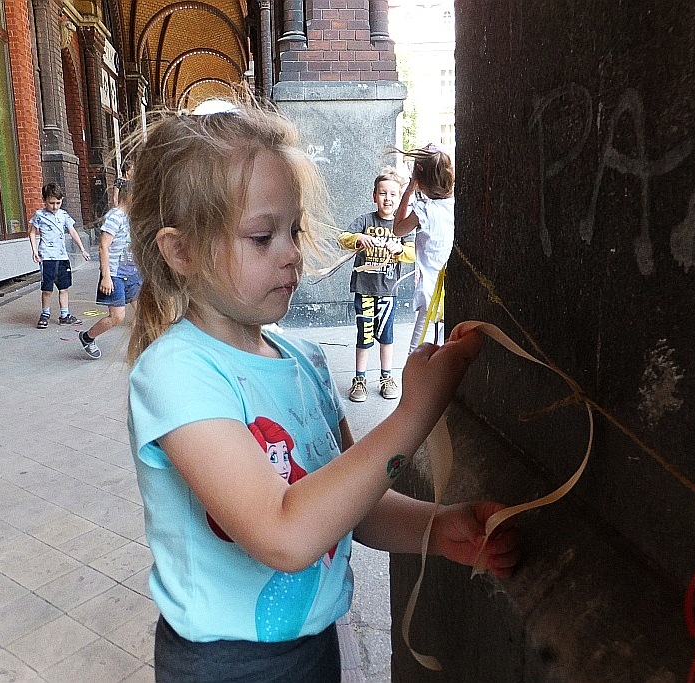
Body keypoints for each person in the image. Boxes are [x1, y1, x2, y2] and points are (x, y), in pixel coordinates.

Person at [125, 101, 519, 682]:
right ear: (180, 251)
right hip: (224, 665)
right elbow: (285, 533)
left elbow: (345, 504)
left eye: (293, 229)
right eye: (261, 237)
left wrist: (438, 527)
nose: (290, 253)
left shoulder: (303, 360)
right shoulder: (177, 374)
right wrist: (413, 414)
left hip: (311, 648)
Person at [337, 167, 415, 402]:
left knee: (387, 336)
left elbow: (413, 253)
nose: (387, 199)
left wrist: (400, 249)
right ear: (374, 196)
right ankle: (359, 379)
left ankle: (386, 377)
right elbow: (342, 239)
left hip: (388, 291)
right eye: (383, 193)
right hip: (364, 289)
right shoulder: (365, 220)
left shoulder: (403, 226)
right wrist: (358, 238)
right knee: (364, 335)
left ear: (399, 198)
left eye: (392, 194)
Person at [391, 143, 455, 353]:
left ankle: (413, 381)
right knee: (448, 344)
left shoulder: (424, 210)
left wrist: (408, 190)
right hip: (450, 288)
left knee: (416, 349)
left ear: (420, 181)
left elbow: (398, 229)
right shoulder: (455, 205)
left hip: (430, 290)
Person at [78, 189, 141, 359]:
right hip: (115, 275)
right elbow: (103, 246)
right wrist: (106, 277)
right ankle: (87, 337)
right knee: (117, 317)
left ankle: (138, 349)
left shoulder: (133, 218)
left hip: (133, 273)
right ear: (129, 195)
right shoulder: (115, 217)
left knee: (143, 312)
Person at [27, 183, 90, 328]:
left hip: (62, 257)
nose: (55, 206)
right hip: (47, 257)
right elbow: (31, 232)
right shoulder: (39, 215)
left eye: (58, 203)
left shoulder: (64, 215)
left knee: (64, 288)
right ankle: (45, 314)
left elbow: (72, 231)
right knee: (47, 289)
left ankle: (65, 314)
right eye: (51, 203)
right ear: (45, 200)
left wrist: (82, 249)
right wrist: (35, 251)